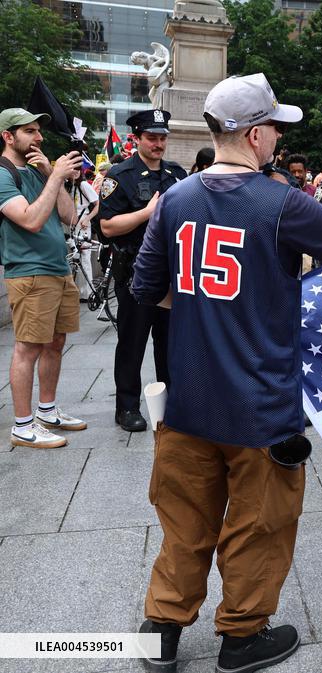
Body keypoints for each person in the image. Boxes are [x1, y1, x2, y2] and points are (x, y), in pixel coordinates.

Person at [131, 72, 322, 673]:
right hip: (263, 404)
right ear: (253, 135)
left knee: (184, 520)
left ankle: (163, 629)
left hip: (189, 398)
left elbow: (146, 288)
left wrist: (207, 308)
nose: (278, 137)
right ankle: (242, 637)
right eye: (275, 127)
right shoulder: (282, 202)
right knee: (260, 524)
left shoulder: (175, 199)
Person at [0, 107, 86, 448]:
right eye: (30, 131)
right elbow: (31, 220)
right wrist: (54, 177)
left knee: (55, 342)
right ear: (8, 137)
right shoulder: (4, 174)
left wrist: (52, 172)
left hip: (57, 269)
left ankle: (47, 411)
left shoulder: (37, 170)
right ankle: (22, 426)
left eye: (38, 130)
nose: (39, 137)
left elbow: (69, 216)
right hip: (29, 272)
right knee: (28, 348)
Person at [99, 109, 187, 432]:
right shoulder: (119, 176)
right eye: (152, 138)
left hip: (171, 275)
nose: (158, 144)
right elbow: (107, 226)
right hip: (135, 273)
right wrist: (147, 213)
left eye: (163, 138)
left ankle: (174, 403)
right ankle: (127, 407)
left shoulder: (177, 175)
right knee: (133, 342)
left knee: (171, 342)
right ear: (137, 138)